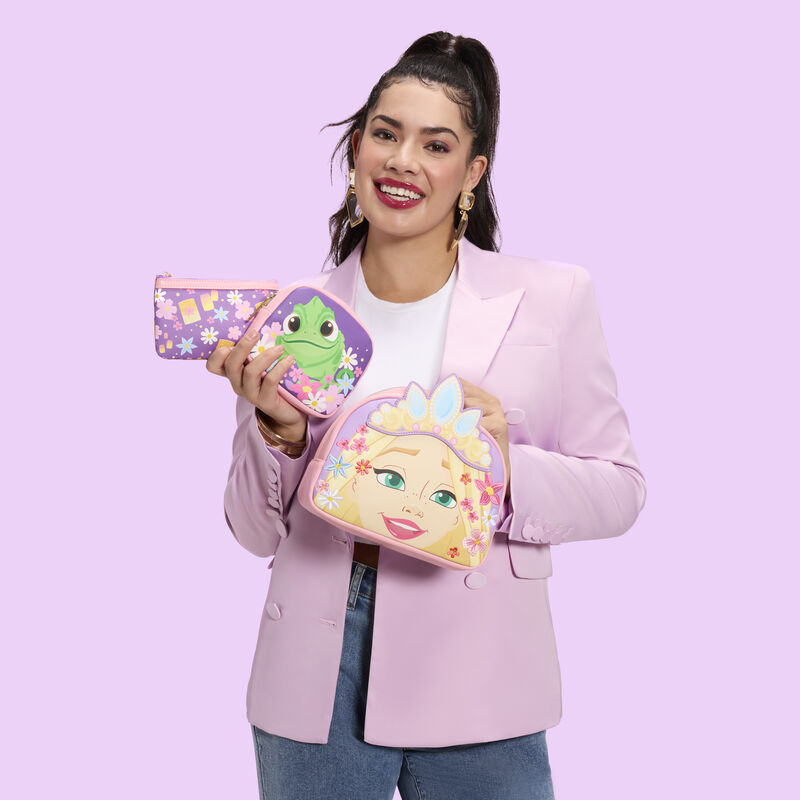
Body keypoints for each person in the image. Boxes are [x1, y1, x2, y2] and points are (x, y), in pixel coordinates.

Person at [207, 30, 646, 800]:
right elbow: (251, 533)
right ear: (356, 153)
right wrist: (274, 430)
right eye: (385, 133)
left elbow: (620, 489)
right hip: (316, 667)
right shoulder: (300, 318)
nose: (403, 160)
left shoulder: (553, 298)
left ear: (472, 172)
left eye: (435, 144)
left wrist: (500, 463)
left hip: (481, 669)